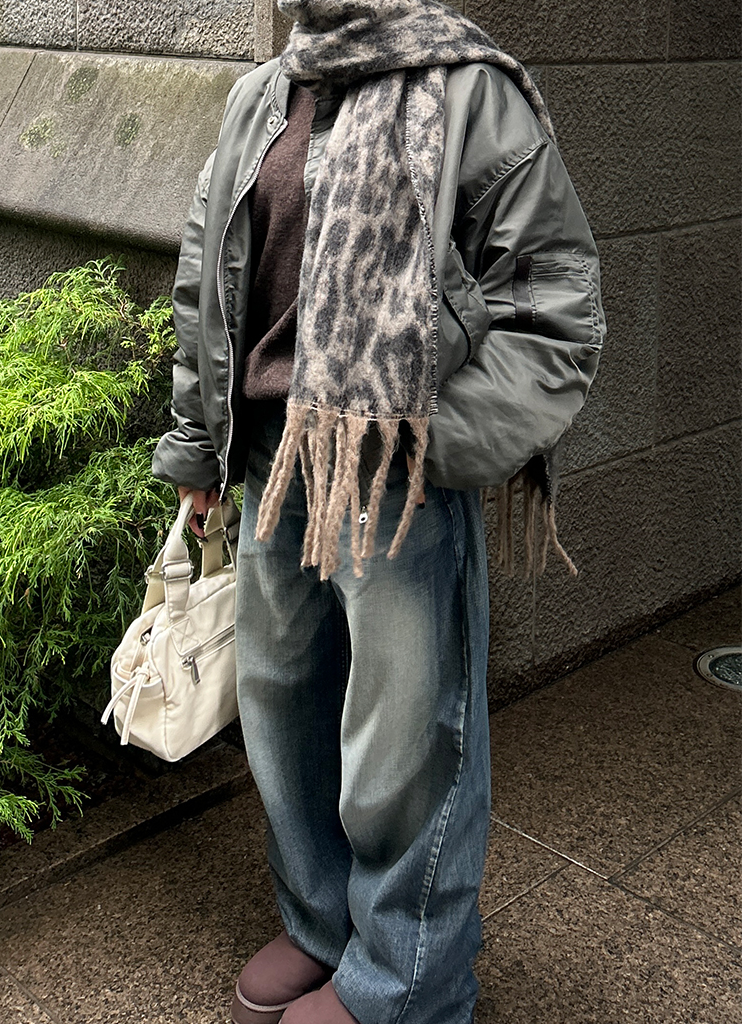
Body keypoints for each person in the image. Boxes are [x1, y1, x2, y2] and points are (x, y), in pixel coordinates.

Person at [152, 2, 605, 1022]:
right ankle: (321, 924)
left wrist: (427, 446)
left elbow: (554, 302)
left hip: (396, 472)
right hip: (273, 457)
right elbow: (205, 276)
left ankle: (406, 978)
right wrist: (197, 443)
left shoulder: (468, 86)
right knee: (283, 708)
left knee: (406, 741)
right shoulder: (265, 91)